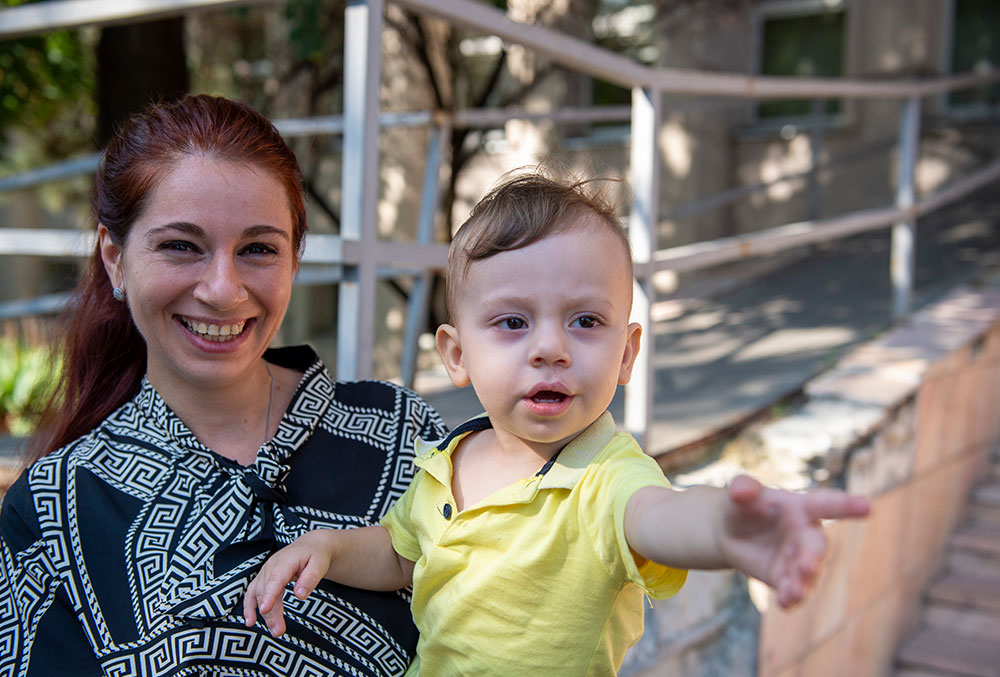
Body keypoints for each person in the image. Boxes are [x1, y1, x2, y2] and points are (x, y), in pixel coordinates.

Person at [243, 172, 872, 674]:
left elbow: (661, 517)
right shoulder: (445, 462)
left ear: (626, 354)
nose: (551, 348)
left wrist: (725, 528)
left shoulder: (605, 478)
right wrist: (327, 546)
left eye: (585, 321)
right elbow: (400, 556)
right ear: (456, 355)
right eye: (513, 322)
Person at [0, 95, 447, 676]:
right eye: (181, 246)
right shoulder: (54, 506)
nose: (222, 289)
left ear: (293, 261)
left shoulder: (405, 433)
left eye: (258, 249)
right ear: (115, 259)